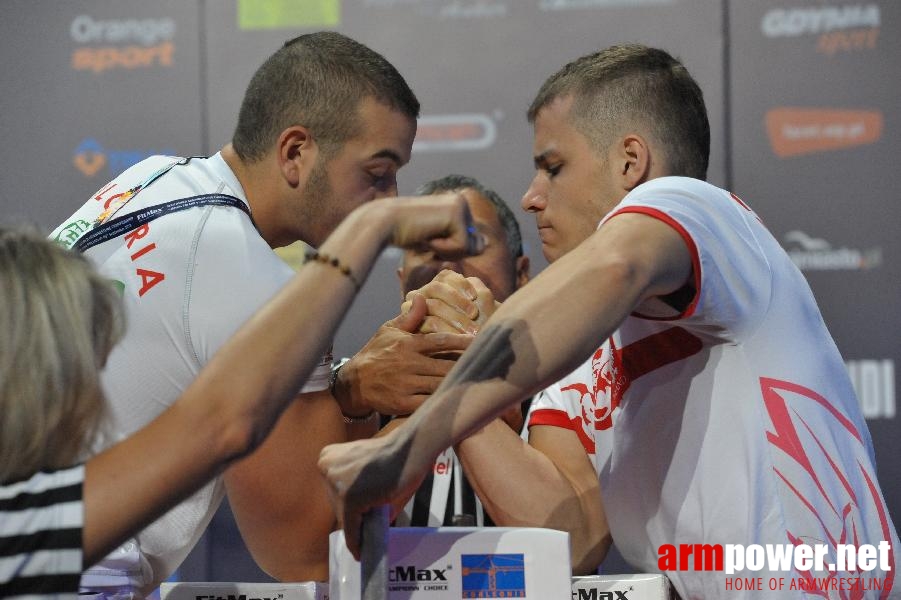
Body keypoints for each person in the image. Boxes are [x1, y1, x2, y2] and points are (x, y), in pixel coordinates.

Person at [319, 44, 900, 598]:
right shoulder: (583, 347)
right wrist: (458, 355)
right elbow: (569, 542)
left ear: (630, 162)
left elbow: (617, 262)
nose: (530, 196)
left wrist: (420, 439)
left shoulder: (695, 208)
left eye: (553, 167)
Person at [50, 31, 421, 593]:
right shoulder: (250, 275)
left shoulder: (151, 178)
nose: (392, 200)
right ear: (296, 152)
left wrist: (343, 388)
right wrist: (443, 404)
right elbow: (306, 549)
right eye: (377, 174)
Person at [0, 197, 481, 597]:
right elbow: (226, 422)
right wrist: (372, 229)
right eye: (91, 363)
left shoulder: (40, 510)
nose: (102, 388)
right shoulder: (42, 520)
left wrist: (350, 380)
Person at [333, 174, 534, 528]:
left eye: (475, 240)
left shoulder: (564, 388)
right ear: (401, 282)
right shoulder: (350, 389)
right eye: (427, 244)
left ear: (521, 275)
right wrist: (349, 391)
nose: (448, 265)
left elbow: (570, 539)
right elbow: (323, 534)